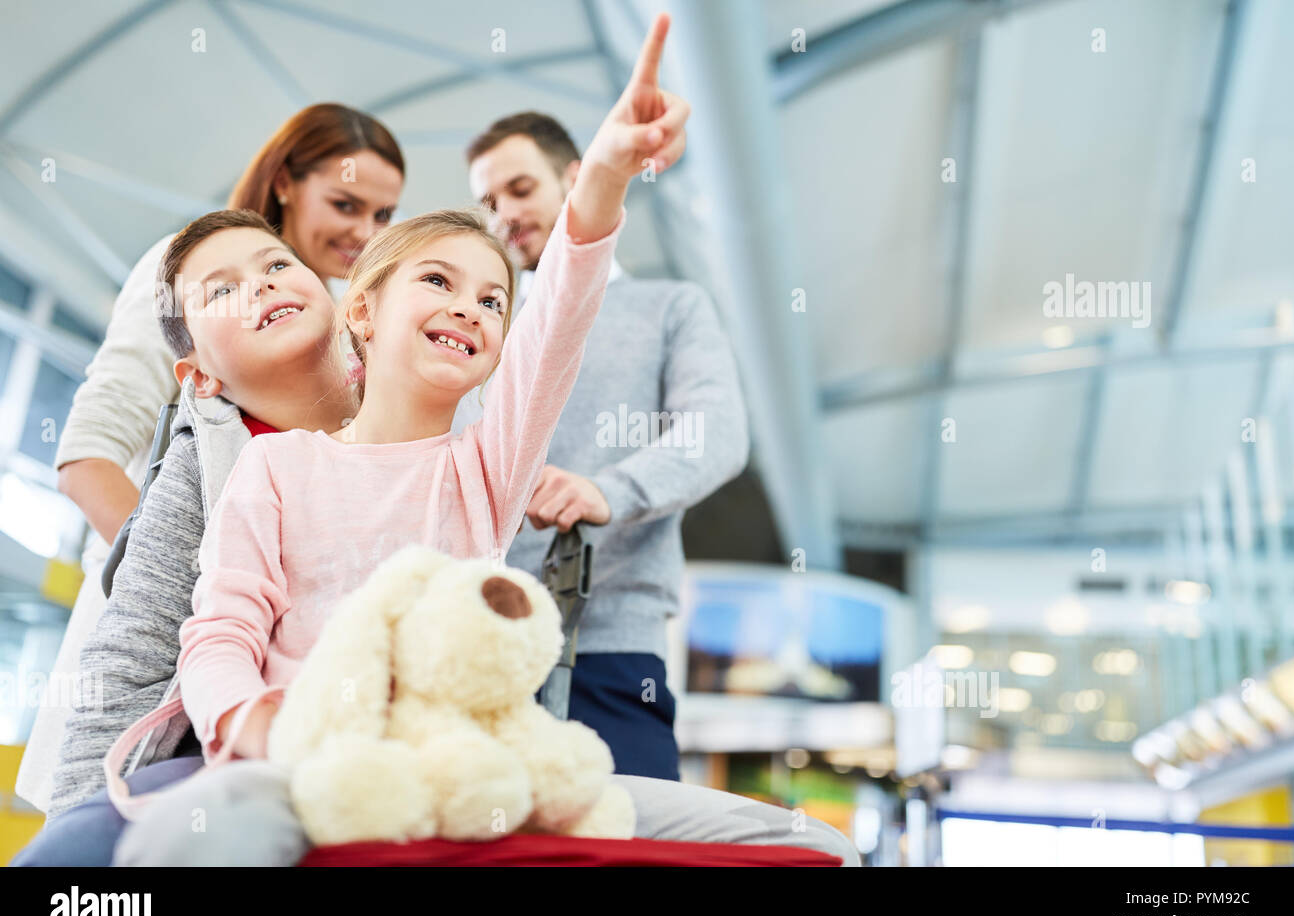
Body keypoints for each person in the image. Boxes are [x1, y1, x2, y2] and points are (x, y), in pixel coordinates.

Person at [13, 14, 858, 868]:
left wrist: (602, 176)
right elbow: (217, 632)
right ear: (363, 310)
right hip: (307, 758)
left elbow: (559, 317)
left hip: (470, 764)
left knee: (806, 840)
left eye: (494, 300)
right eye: (438, 280)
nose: (471, 306)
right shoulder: (268, 466)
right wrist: (260, 724)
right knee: (213, 823)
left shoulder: (484, 466)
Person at [16, 104, 404, 814]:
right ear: (286, 182)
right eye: (346, 204)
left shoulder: (353, 317)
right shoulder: (183, 269)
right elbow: (87, 456)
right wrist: (207, 590)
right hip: (163, 664)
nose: (364, 232)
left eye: (385, 216)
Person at [456, 111, 748, 780]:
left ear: (577, 178)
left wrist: (607, 490)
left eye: (521, 189)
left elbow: (717, 433)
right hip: (471, 647)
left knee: (627, 843)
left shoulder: (671, 307)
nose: (504, 216)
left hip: (609, 649)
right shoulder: (477, 325)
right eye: (489, 202)